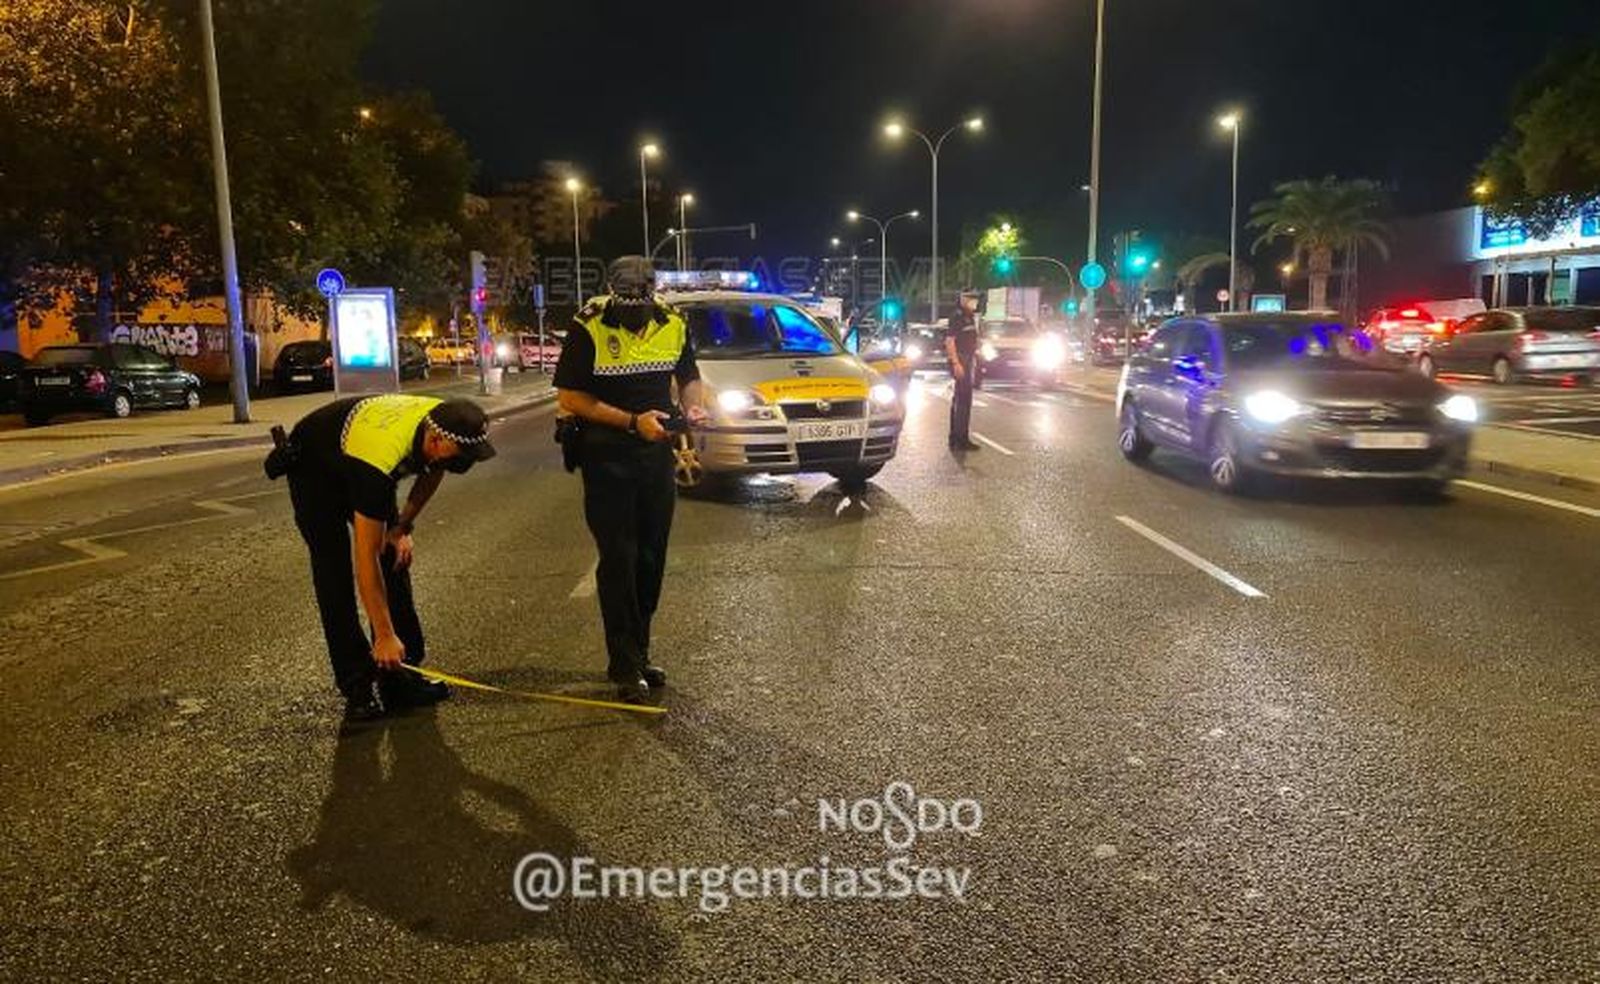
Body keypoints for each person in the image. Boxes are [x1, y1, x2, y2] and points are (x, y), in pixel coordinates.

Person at [272, 394, 497, 723]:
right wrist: (384, 634)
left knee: (395, 556)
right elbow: (366, 557)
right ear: (434, 440)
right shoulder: (378, 464)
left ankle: (402, 678)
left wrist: (403, 526)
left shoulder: (440, 420)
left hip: (363, 452)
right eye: (462, 454)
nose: (466, 462)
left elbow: (434, 470)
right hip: (316, 469)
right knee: (334, 572)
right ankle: (357, 685)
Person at [553, 256, 707, 703]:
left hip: (656, 455)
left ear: (653, 294)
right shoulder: (590, 323)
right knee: (618, 558)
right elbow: (572, 397)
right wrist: (631, 421)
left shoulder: (674, 321)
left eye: (638, 306)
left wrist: (692, 406)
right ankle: (622, 664)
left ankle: (640, 652)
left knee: (651, 557)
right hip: (606, 457)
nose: (631, 315)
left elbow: (689, 376)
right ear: (611, 294)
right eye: (624, 306)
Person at [945, 289, 983, 451]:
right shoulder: (957, 316)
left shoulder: (970, 317)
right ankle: (959, 439)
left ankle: (959, 437)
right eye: (971, 298)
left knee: (964, 400)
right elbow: (950, 341)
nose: (974, 301)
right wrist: (956, 363)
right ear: (962, 299)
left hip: (968, 359)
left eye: (975, 298)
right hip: (961, 359)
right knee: (962, 400)